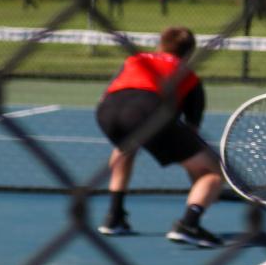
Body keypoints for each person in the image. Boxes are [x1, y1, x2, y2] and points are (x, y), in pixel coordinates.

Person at [95, 25, 225, 246]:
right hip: (147, 110)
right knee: (211, 173)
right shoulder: (190, 77)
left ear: (160, 44)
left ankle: (114, 217)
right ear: (189, 53)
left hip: (106, 111)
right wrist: (200, 174)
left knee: (125, 148)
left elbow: (112, 92)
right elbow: (191, 132)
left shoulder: (134, 60)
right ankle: (189, 223)